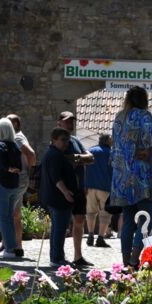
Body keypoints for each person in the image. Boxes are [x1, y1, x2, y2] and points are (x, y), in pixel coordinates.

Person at [110, 86, 152, 268]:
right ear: (144, 100)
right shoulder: (144, 116)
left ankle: (125, 262)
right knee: (147, 219)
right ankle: (135, 259)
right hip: (142, 177)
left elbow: (115, 147)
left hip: (122, 178)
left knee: (128, 221)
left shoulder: (119, 117)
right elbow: (148, 146)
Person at [57, 111, 94, 268]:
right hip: (64, 188)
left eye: (71, 121)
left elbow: (90, 158)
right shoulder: (57, 141)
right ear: (59, 123)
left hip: (79, 188)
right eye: (66, 121)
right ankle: (58, 255)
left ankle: (78, 256)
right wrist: (80, 158)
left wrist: (76, 158)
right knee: (61, 223)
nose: (69, 124)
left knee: (79, 220)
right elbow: (59, 161)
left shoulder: (76, 141)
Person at [41, 128, 78, 266]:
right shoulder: (54, 156)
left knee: (58, 228)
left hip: (55, 197)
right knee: (60, 229)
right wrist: (66, 192)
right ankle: (57, 258)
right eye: (63, 140)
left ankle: (56, 256)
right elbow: (56, 177)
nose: (66, 143)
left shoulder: (53, 154)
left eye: (67, 140)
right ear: (54, 140)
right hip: (59, 198)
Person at [6, 114, 36, 257]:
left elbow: (31, 154)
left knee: (9, 213)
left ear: (16, 124)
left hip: (18, 179)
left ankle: (10, 246)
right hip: (20, 178)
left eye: (9, 122)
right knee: (15, 214)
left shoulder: (17, 138)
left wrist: (29, 171)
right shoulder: (18, 137)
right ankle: (17, 246)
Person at [0, 117, 22, 259]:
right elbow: (20, 167)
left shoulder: (1, 146)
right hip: (14, 185)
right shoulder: (15, 146)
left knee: (4, 218)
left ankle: (9, 249)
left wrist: (8, 168)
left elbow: (2, 163)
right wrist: (12, 169)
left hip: (2, 184)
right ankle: (12, 246)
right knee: (9, 217)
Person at [85, 133, 113, 248]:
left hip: (90, 186)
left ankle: (90, 235)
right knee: (105, 214)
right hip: (105, 187)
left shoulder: (90, 151)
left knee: (90, 212)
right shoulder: (111, 153)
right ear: (107, 141)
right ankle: (100, 238)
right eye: (111, 139)